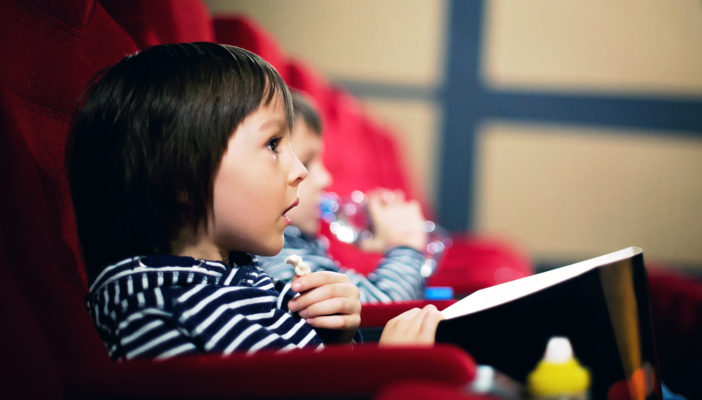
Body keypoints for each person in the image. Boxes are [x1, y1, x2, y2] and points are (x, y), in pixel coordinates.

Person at [68, 42, 442, 360]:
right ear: (181, 180)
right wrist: (387, 365)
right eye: (273, 144)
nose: (301, 172)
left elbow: (299, 364)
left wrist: (338, 333)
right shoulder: (155, 305)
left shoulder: (235, 273)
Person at [256, 92, 432, 303]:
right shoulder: (280, 257)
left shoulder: (299, 245)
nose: (325, 179)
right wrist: (406, 243)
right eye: (307, 162)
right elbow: (374, 310)